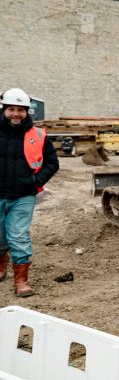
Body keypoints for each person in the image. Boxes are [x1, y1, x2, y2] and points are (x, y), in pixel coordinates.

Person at [0, 88, 59, 297]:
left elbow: (52, 163)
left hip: (23, 196)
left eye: (21, 110)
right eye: (11, 109)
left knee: (18, 235)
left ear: (27, 112)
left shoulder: (38, 135)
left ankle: (21, 280)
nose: (16, 114)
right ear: (4, 109)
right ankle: (2, 263)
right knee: (0, 236)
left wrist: (36, 182)